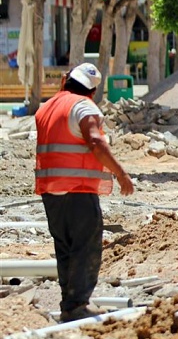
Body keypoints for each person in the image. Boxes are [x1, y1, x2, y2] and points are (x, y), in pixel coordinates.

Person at [35, 63, 135, 323]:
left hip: (51, 190)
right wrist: (121, 173)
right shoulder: (83, 105)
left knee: (65, 248)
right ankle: (77, 305)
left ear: (67, 82)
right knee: (86, 246)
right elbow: (95, 141)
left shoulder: (47, 107)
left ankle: (69, 305)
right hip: (77, 189)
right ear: (91, 90)